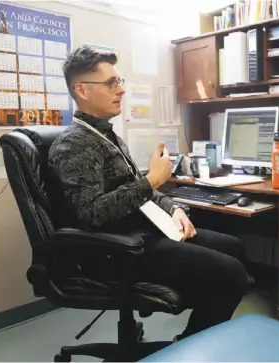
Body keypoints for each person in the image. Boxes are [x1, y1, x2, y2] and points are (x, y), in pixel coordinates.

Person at [48, 45, 249, 341]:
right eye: (110, 83)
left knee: (233, 247)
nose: (121, 90)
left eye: (120, 82)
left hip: (144, 233)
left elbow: (135, 189)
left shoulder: (106, 135)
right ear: (81, 90)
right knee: (231, 274)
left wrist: (174, 209)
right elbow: (92, 214)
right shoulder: (73, 144)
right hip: (115, 250)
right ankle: (190, 347)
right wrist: (152, 181)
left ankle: (197, 331)